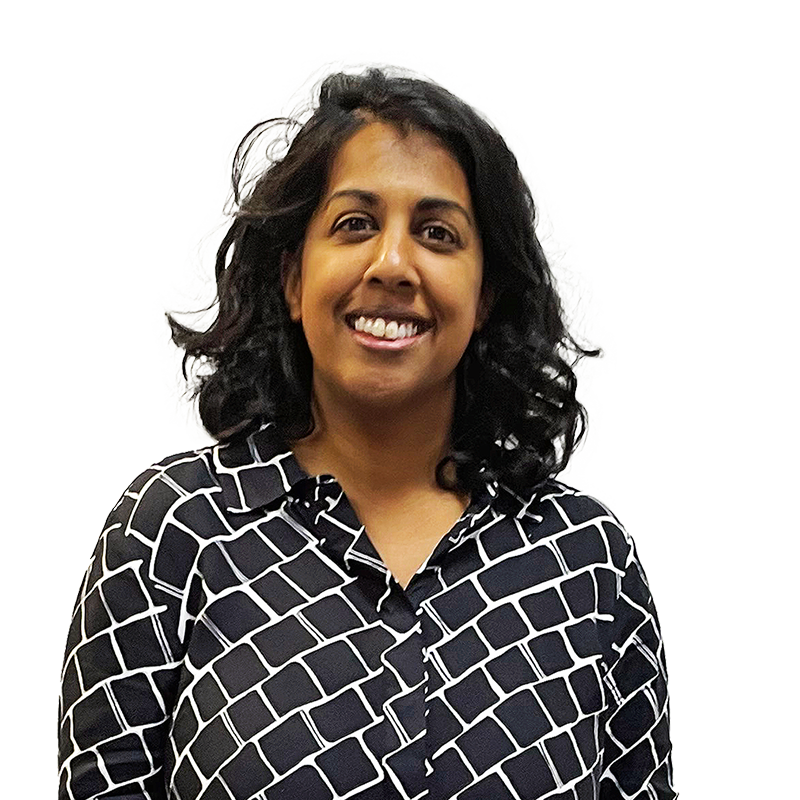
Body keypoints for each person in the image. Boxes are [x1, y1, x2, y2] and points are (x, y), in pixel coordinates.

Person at [58, 64, 677, 800]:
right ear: (293, 279)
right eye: (355, 224)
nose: (392, 265)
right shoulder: (173, 531)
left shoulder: (587, 559)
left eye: (438, 234)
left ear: (485, 297)